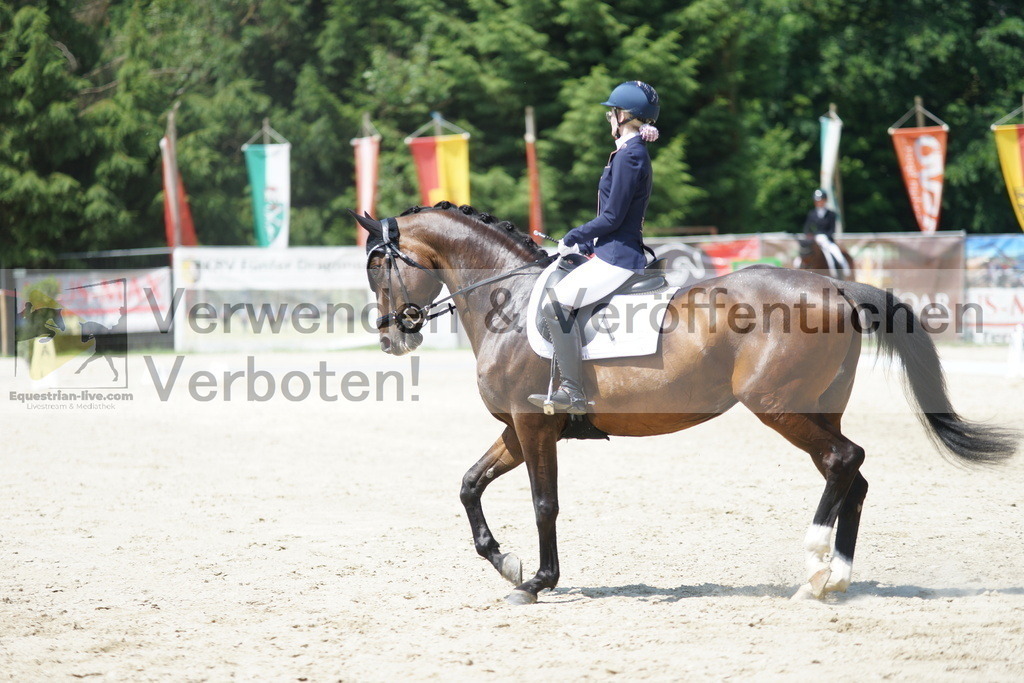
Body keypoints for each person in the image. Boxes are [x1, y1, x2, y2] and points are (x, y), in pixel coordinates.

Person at [527, 80, 660, 414]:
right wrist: (586, 241)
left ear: (625, 115)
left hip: (619, 256)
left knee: (556, 306)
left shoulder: (631, 156)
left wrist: (574, 235)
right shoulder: (628, 152)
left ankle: (572, 393)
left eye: (611, 113)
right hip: (609, 250)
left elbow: (613, 217)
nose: (608, 119)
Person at [802, 188, 850, 277]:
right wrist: (813, 237)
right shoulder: (812, 214)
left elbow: (832, 230)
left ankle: (844, 272)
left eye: (821, 200)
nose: (819, 202)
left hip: (827, 241)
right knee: (800, 258)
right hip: (814, 241)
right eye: (817, 201)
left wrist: (825, 237)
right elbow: (807, 229)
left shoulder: (831, 214)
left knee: (838, 256)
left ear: (825, 200)